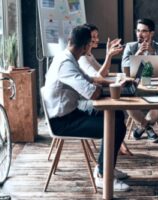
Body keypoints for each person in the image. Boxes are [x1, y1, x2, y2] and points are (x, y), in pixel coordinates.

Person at [43, 25, 130, 191]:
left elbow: (91, 79)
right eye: (90, 44)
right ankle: (103, 176)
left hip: (72, 112)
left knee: (117, 113)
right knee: (116, 126)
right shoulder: (66, 64)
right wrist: (100, 88)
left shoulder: (68, 57)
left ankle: (105, 166)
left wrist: (114, 83)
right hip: (63, 122)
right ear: (85, 46)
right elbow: (92, 94)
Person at [78, 23, 133, 156]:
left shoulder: (89, 55)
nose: (97, 40)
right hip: (84, 98)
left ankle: (118, 143)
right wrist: (108, 55)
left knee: (118, 109)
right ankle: (116, 144)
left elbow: (105, 72)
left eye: (97, 36)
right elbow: (98, 77)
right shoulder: (82, 58)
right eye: (93, 37)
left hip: (92, 93)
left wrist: (109, 55)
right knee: (116, 108)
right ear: (86, 39)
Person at [121, 18, 158, 142]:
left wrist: (153, 53)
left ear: (152, 33)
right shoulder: (130, 47)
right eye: (138, 31)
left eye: (144, 31)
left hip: (155, 85)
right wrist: (137, 54)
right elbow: (124, 68)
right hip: (136, 86)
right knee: (126, 100)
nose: (140, 34)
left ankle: (140, 128)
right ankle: (147, 127)